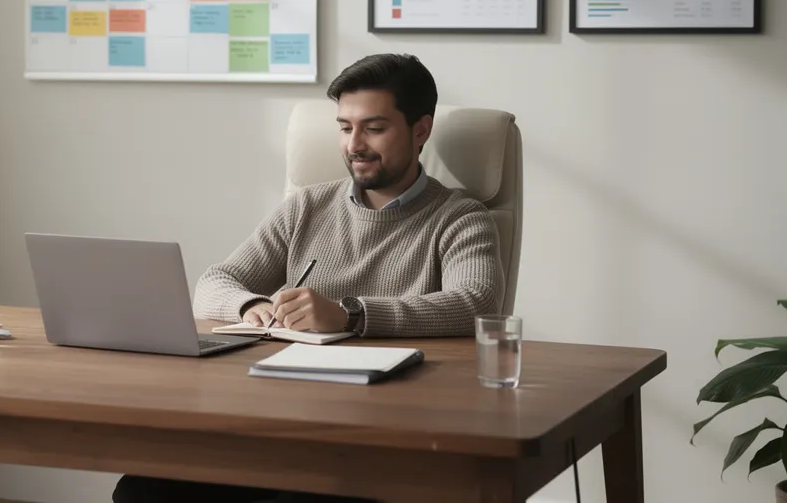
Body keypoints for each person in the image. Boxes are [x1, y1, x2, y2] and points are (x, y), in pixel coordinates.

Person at [112, 53, 503, 503]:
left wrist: (349, 315)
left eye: (374, 128)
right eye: (344, 127)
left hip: (385, 438)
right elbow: (214, 282)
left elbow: (476, 303)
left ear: (421, 130)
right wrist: (252, 305)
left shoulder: (461, 217)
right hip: (280, 421)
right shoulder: (307, 206)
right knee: (141, 490)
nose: (354, 144)